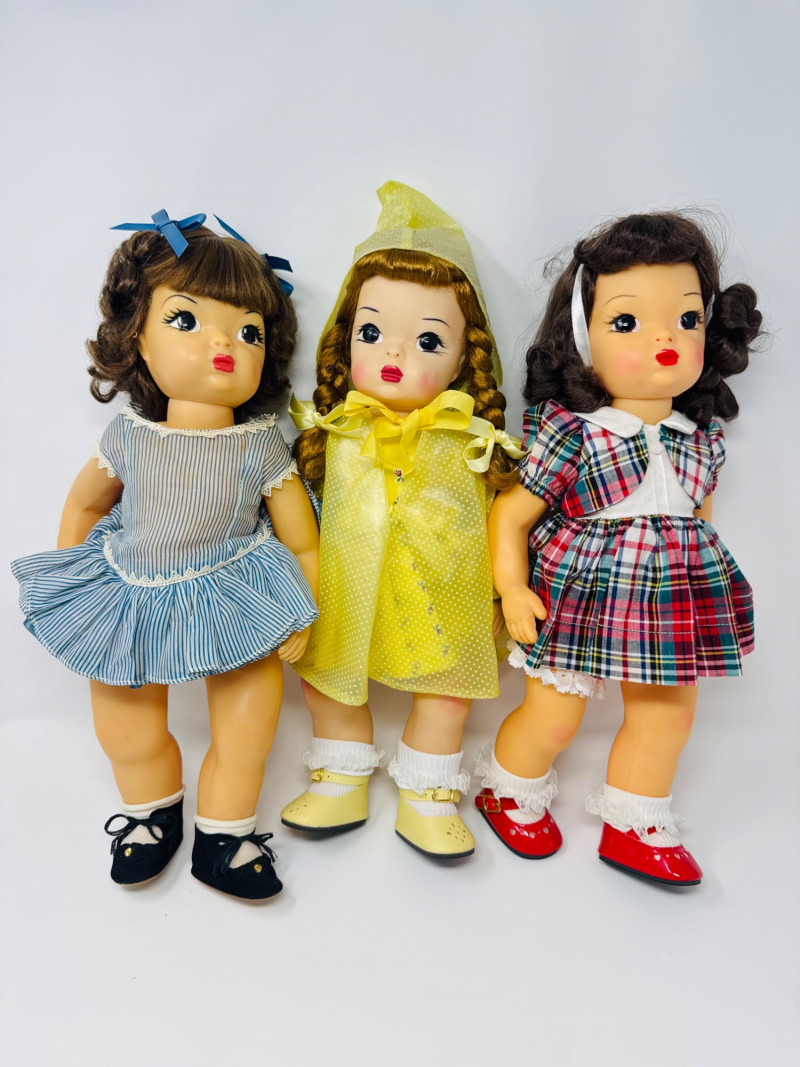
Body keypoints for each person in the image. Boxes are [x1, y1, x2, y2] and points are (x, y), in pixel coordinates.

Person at [12, 212, 319, 899]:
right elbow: (85, 507)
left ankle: (225, 833)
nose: (223, 343)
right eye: (186, 320)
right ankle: (150, 812)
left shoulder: (261, 444)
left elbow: (302, 537)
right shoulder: (129, 437)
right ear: (138, 339)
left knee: (248, 726)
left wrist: (305, 607)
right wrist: (71, 582)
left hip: (237, 593)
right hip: (132, 589)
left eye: (248, 332)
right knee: (125, 723)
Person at [477, 211, 760, 885]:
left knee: (669, 714)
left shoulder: (699, 437)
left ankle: (635, 821)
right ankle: (509, 789)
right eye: (627, 321)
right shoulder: (576, 432)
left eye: (686, 319)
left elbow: (698, 516)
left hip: (668, 596)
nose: (665, 337)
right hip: (580, 591)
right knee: (555, 712)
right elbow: (511, 515)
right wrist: (512, 588)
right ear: (581, 338)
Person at [283, 182, 522, 858]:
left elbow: (500, 512)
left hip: (442, 591)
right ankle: (340, 775)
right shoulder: (332, 431)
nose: (394, 355)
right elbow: (300, 513)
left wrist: (503, 588)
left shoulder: (472, 440)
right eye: (372, 332)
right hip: (346, 585)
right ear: (344, 339)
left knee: (447, 689)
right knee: (327, 679)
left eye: (427, 340)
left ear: (465, 356)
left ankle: (428, 789)